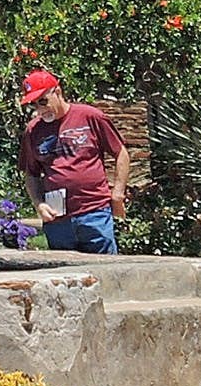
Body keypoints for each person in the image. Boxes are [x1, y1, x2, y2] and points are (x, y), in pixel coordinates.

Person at [17, 68, 128, 253]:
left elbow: (121, 153)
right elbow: (31, 173)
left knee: (106, 271)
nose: (40, 110)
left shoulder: (90, 116)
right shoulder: (32, 130)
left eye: (43, 101)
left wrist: (117, 194)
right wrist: (39, 204)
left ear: (57, 92)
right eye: (34, 105)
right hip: (57, 221)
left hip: (94, 213)